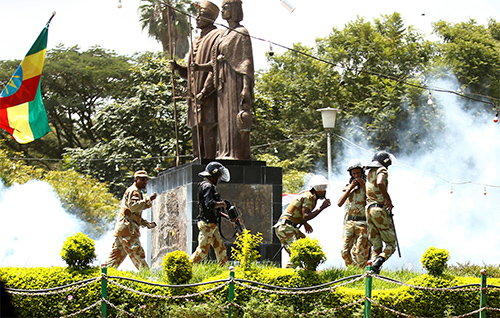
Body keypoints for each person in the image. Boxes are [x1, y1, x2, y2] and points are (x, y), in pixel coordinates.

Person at [195, 0, 254, 159]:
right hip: (222, 84)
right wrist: (198, 67)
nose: (222, 12)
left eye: (225, 8)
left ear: (234, 9)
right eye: (221, 9)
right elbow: (215, 63)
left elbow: (246, 62)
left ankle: (237, 154)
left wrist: (246, 88)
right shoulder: (223, 34)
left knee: (235, 119)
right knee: (223, 121)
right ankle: (224, 152)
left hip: (235, 82)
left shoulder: (242, 32)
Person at [170, 1, 222, 160]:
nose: (197, 18)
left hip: (208, 93)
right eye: (197, 15)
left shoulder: (217, 36)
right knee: (196, 127)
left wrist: (205, 91)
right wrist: (178, 68)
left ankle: (209, 158)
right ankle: (198, 157)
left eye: (201, 15)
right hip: (193, 95)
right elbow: (189, 72)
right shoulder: (195, 42)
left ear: (210, 17)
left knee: (208, 126)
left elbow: (216, 67)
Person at [274, 175, 331, 267]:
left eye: (324, 188)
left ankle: (309, 275)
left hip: (290, 227)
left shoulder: (308, 195)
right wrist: (322, 208)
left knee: (309, 249)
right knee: (297, 254)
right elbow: (306, 216)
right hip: (286, 228)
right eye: (320, 188)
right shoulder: (309, 197)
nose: (322, 191)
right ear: (314, 189)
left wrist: (304, 223)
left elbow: (300, 213)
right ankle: (287, 276)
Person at [106, 170, 157, 270]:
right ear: (136, 180)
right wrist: (148, 199)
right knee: (137, 252)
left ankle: (102, 276)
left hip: (124, 229)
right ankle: (148, 278)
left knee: (115, 256)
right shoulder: (134, 191)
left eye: (146, 180)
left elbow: (132, 213)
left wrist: (146, 223)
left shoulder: (135, 191)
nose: (145, 182)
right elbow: (133, 207)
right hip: (128, 230)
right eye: (142, 180)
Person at [191, 161, 232, 264]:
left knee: (221, 249)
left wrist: (227, 217)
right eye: (219, 176)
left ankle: (224, 271)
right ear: (215, 175)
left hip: (212, 224)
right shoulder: (207, 186)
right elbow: (209, 204)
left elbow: (212, 209)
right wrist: (222, 204)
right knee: (202, 250)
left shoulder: (208, 186)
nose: (220, 178)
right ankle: (186, 267)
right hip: (207, 224)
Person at [365, 151, 397, 274]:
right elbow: (380, 182)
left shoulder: (370, 172)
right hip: (378, 209)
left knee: (376, 245)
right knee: (391, 244)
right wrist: (388, 200)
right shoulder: (381, 170)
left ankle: (372, 272)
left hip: (369, 210)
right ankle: (378, 262)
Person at [337, 159, 370, 267]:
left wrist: (363, 185)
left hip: (363, 223)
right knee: (344, 251)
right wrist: (351, 187)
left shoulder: (368, 185)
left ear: (362, 172)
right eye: (354, 173)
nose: (356, 176)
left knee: (359, 252)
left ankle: (361, 274)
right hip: (349, 222)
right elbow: (339, 203)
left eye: (358, 173)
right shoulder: (347, 186)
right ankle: (352, 270)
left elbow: (372, 199)